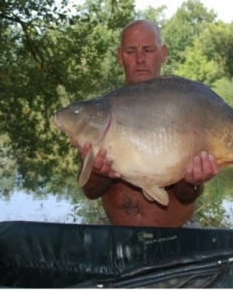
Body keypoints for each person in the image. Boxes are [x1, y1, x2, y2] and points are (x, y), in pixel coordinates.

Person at [73, 19, 219, 227]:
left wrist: (192, 181)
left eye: (148, 50)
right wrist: (97, 172)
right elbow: (90, 191)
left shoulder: (183, 107)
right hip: (118, 235)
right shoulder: (100, 113)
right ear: (119, 56)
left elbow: (185, 196)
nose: (140, 59)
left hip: (178, 235)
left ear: (164, 53)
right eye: (131, 51)